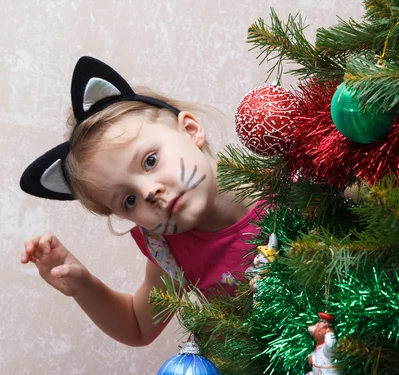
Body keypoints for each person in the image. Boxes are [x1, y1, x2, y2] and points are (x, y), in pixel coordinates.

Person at [19, 56, 267, 347]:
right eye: (129, 200)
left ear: (190, 130)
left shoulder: (294, 188)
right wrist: (83, 287)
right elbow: (137, 326)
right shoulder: (169, 248)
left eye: (150, 161)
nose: (150, 193)